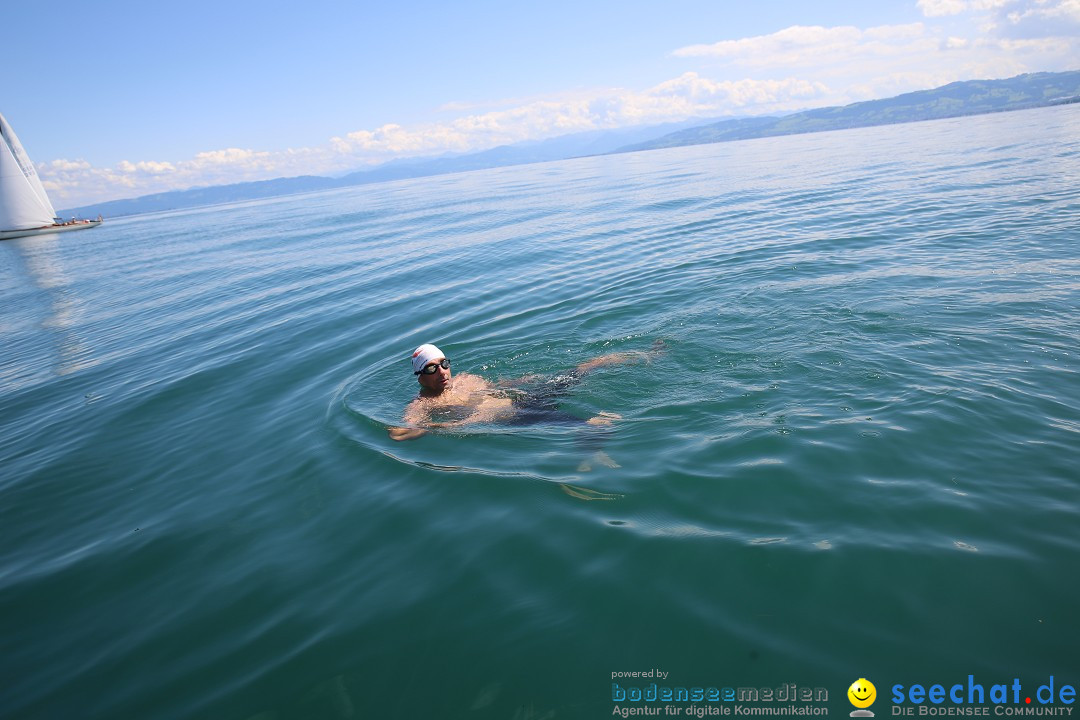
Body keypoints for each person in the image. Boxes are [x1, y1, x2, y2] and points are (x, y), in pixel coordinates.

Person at [387, 342, 662, 441]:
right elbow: (405, 430)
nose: (443, 372)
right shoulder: (422, 404)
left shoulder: (468, 379)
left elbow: (499, 386)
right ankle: (590, 445)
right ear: (420, 377)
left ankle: (645, 355)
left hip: (529, 399)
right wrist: (431, 427)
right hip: (519, 418)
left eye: (444, 364)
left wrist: (528, 379)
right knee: (589, 425)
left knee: (582, 369)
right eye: (432, 368)